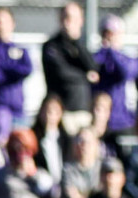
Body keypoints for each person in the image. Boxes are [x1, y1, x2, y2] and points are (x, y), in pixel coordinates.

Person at [41, 2, 97, 134]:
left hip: (82, 109)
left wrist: (76, 40)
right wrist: (85, 76)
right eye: (65, 17)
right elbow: (61, 72)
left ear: (81, 21)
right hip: (61, 111)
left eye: (72, 18)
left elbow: (93, 67)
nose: (68, 22)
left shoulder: (82, 45)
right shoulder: (51, 46)